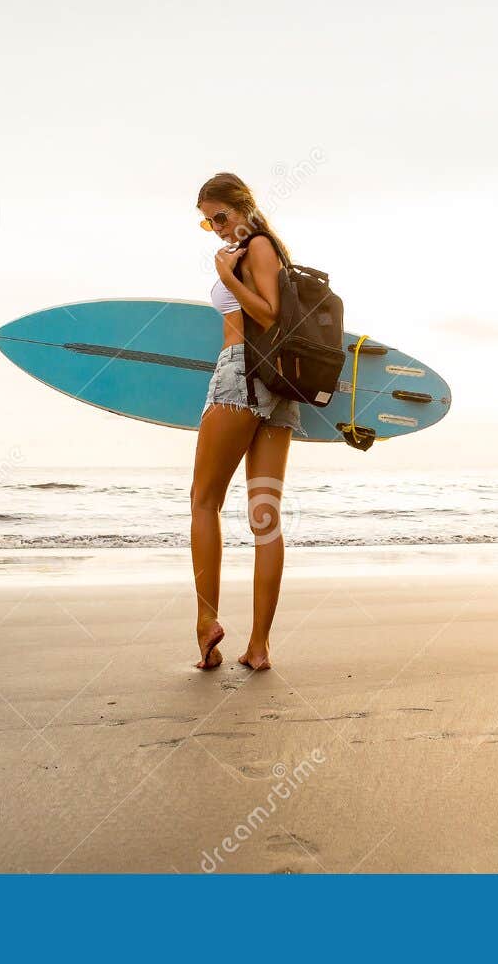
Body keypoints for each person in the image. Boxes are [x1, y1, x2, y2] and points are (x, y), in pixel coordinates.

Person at [189, 172, 302, 672]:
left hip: (239, 375)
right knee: (264, 519)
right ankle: (258, 647)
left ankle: (205, 621)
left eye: (221, 216)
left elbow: (269, 314)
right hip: (279, 388)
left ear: (243, 206)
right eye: (207, 221)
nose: (215, 227)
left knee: (204, 500)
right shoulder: (266, 248)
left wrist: (228, 276)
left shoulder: (255, 247)